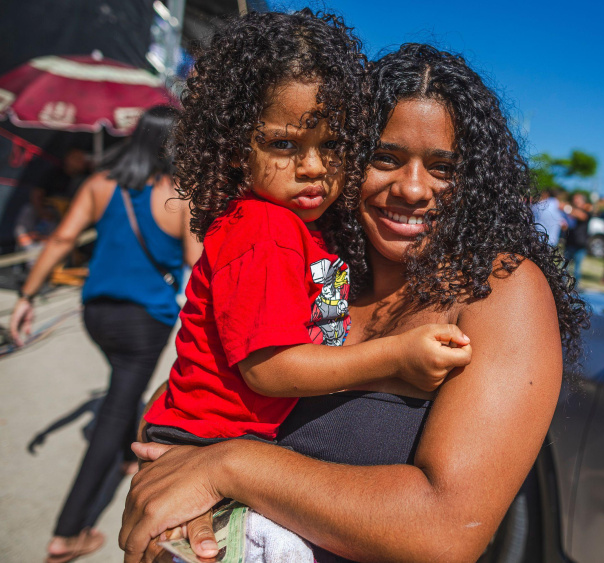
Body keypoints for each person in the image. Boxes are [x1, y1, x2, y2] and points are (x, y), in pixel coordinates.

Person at [120, 42, 589, 563]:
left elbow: (445, 532)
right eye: (385, 158)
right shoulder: (320, 265)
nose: (412, 189)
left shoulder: (499, 291)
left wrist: (225, 469)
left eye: (443, 168)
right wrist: (171, 482)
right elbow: (188, 388)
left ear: (476, 182)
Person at [144, 11, 470, 453]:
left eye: (333, 145)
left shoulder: (298, 228)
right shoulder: (264, 229)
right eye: (284, 144)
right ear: (237, 146)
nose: (313, 166)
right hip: (201, 443)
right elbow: (270, 370)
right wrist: (397, 356)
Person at [8, 105, 202, 563]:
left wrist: (26, 297)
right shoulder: (180, 195)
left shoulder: (100, 185)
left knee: (121, 390)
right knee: (119, 407)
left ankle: (120, 451)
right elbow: (198, 262)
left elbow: (60, 240)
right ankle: (66, 533)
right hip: (144, 323)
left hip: (96, 314)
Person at [563, 192, 592, 282]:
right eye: (574, 199)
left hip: (580, 245)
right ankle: (561, 286)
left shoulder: (586, 211)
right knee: (564, 268)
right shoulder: (571, 212)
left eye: (577, 200)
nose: (575, 201)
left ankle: (575, 289)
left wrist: (567, 208)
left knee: (577, 270)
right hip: (569, 243)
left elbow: (581, 216)